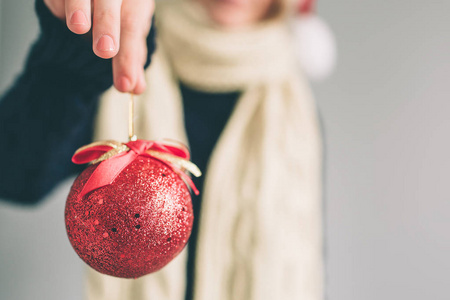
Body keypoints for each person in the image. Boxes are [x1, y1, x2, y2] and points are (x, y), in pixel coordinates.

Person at [0, 0, 325, 299]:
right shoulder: (121, 52)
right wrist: (73, 50)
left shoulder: (293, 110)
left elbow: (302, 252)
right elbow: (15, 175)